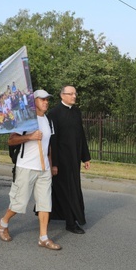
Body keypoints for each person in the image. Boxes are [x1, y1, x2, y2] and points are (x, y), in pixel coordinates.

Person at [0, 89, 61, 250]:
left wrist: (51, 165)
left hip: (43, 168)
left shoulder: (47, 120)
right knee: (19, 203)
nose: (46, 102)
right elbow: (11, 141)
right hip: (26, 167)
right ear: (34, 101)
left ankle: (43, 238)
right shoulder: (25, 119)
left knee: (45, 204)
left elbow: (49, 146)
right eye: (42, 99)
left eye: (47, 100)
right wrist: (30, 137)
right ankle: (3, 223)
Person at [48, 86, 91, 234]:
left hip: (74, 158)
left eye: (75, 94)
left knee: (68, 189)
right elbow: (52, 141)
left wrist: (85, 157)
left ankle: (51, 214)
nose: (74, 96)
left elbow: (81, 135)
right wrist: (54, 163)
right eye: (71, 94)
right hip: (61, 159)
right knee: (67, 191)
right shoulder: (54, 113)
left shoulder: (77, 112)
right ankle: (70, 223)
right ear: (62, 95)